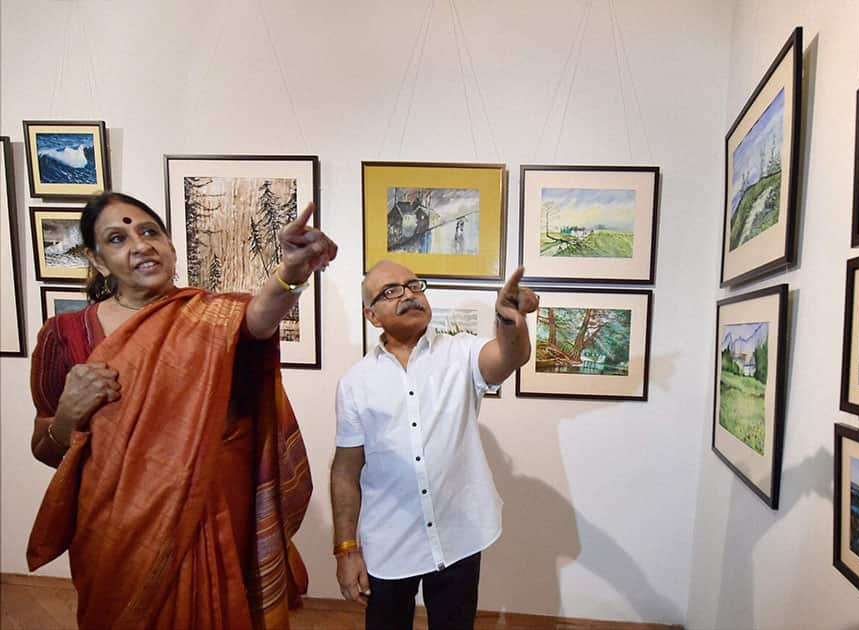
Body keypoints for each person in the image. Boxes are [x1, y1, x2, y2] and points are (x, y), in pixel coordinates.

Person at [27, 191, 337, 630]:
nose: (140, 244)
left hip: (211, 513)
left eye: (149, 231)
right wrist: (67, 415)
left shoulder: (213, 317)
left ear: (171, 247)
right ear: (98, 262)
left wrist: (291, 271)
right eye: (117, 238)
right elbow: (45, 448)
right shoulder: (66, 335)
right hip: (116, 532)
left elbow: (260, 316)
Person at [330, 260, 538, 630]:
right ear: (372, 315)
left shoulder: (460, 353)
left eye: (414, 285)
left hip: (459, 533)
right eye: (391, 291)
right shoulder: (355, 384)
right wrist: (346, 549)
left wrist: (509, 320)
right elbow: (346, 470)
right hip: (389, 542)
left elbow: (510, 356)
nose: (409, 294)